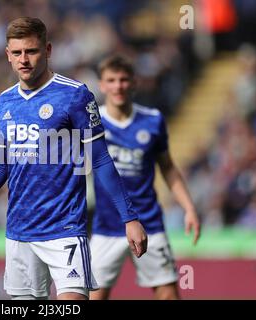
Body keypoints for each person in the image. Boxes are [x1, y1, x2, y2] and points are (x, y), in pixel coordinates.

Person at [0, 17, 147, 301]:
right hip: (19, 232)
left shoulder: (75, 95)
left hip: (65, 229)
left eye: (31, 51)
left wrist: (129, 218)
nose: (24, 60)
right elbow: (0, 167)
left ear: (47, 50)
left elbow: (101, 160)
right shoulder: (5, 101)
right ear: (7, 55)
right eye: (17, 53)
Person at [89, 55, 201, 300]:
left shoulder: (152, 120)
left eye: (123, 79)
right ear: (102, 85)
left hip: (149, 221)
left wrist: (189, 208)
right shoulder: (91, 123)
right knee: (93, 297)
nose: (118, 86)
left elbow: (168, 168)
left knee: (168, 295)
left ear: (134, 83)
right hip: (106, 226)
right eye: (111, 80)